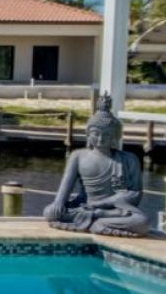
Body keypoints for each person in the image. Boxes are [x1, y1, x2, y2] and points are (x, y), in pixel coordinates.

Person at [44, 94, 155, 237]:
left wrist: (101, 206)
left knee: (142, 222)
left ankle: (98, 221)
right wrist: (58, 204)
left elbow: (135, 195)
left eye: (107, 135)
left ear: (115, 136)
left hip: (114, 211)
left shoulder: (129, 159)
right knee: (49, 212)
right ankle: (99, 224)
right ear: (88, 134)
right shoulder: (78, 156)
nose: (101, 139)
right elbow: (64, 189)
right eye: (96, 133)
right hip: (84, 207)